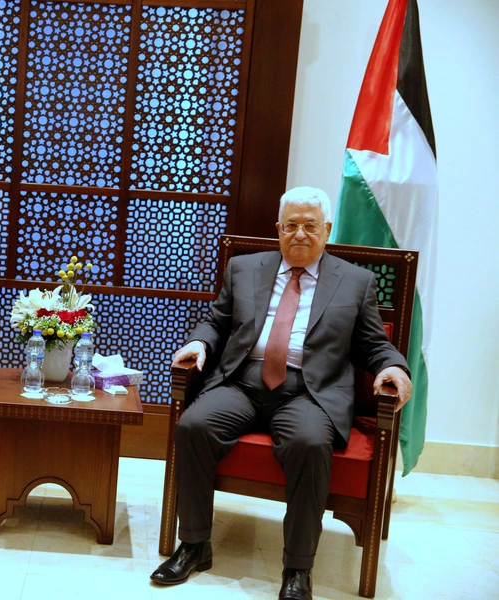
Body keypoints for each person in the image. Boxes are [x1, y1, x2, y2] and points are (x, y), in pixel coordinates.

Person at [150, 187, 412, 599]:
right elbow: (216, 322)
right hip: (242, 381)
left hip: (309, 392)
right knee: (193, 426)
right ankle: (195, 545)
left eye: (310, 225)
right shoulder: (244, 268)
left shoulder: (355, 282)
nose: (300, 234)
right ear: (278, 229)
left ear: (327, 230)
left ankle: (297, 569)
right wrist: (199, 344)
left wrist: (392, 366)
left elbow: (373, 344)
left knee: (309, 443)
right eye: (291, 225)